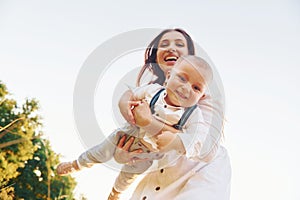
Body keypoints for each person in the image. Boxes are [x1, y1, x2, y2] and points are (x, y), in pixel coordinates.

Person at [57, 55, 213, 200]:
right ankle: (76, 164)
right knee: (101, 151)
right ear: (169, 75)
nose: (186, 88)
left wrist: (176, 141)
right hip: (129, 132)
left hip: (148, 151)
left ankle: (115, 193)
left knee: (128, 175)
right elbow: (132, 94)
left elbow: (198, 140)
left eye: (196, 88)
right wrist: (128, 104)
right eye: (182, 78)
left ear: (202, 96)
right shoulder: (153, 91)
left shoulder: (193, 115)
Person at [115, 28, 231, 200]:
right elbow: (142, 150)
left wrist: (149, 123)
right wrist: (124, 155)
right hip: (156, 183)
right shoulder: (152, 95)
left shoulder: (205, 95)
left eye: (179, 44)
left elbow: (208, 149)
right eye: (164, 44)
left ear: (190, 55)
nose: (171, 48)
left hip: (199, 176)